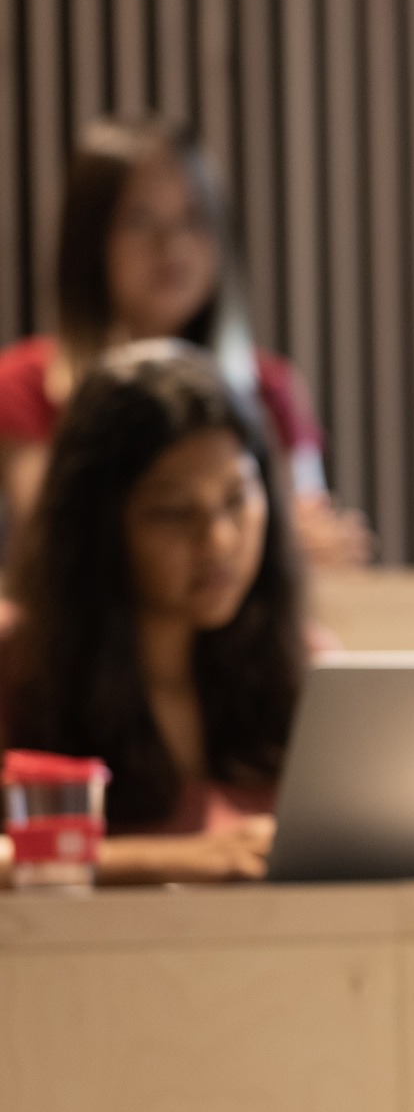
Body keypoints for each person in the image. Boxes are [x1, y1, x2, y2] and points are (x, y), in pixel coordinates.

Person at [0, 116, 368, 567]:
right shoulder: (26, 385)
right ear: (88, 240)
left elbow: (306, 536)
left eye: (193, 219)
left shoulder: (269, 387)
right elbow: (57, 543)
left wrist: (317, 545)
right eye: (138, 220)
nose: (171, 246)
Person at [2, 341, 304, 883]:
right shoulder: (17, 670)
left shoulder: (306, 667)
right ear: (95, 529)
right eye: (172, 513)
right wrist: (157, 861)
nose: (218, 542)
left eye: (237, 499)